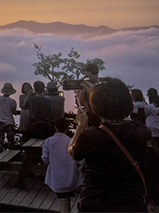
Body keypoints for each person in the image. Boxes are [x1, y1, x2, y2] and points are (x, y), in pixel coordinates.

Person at [69, 78, 149, 212]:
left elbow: (73, 153)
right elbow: (126, 122)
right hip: (132, 204)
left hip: (96, 203)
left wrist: (81, 125)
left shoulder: (90, 136)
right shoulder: (141, 131)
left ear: (96, 106)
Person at [42, 118, 82, 213]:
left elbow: (45, 158)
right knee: (67, 198)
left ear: (55, 127)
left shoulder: (49, 141)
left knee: (62, 204)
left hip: (57, 178)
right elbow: (79, 159)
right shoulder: (71, 141)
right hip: (71, 176)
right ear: (67, 128)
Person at [0, 82, 18, 152]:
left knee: (0, 140)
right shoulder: (12, 101)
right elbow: (14, 112)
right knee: (10, 140)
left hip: (0, 121)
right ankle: (11, 154)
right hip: (9, 122)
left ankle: (0, 153)